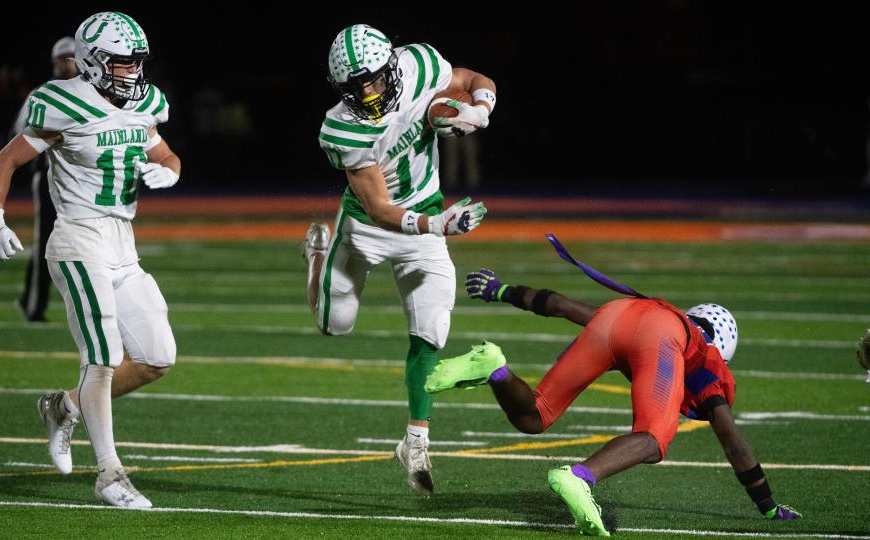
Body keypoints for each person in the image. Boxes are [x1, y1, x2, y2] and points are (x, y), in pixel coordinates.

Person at [425, 253, 801, 535]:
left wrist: (501, 290)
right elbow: (730, 438)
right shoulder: (706, 358)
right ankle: (580, 476)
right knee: (655, 438)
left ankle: (495, 368)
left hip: (620, 314)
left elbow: (562, 306)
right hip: (658, 334)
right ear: (720, 346)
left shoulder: (658, 312)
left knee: (534, 416)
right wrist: (766, 506)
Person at [0, 12, 180, 509]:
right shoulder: (60, 102)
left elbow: (167, 155)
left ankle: (63, 406)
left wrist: (170, 173)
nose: (132, 72)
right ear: (91, 62)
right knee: (103, 355)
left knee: (157, 357)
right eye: (121, 62)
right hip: (76, 239)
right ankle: (110, 474)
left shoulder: (146, 103)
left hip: (123, 244)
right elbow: (6, 160)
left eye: (137, 62)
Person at [304, 24, 495, 495]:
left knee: (433, 329)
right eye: (354, 86)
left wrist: (480, 110)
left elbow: (472, 78)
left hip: (425, 216)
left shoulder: (421, 65)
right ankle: (317, 256)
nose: (366, 92)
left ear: (392, 66)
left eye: (372, 78)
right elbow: (380, 209)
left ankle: (415, 439)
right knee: (335, 324)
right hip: (367, 229)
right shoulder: (341, 126)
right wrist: (438, 225)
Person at [11, 36, 79, 322]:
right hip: (50, 176)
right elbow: (18, 133)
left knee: (75, 241)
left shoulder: (90, 93)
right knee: (46, 243)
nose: (70, 64)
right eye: (65, 58)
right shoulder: (44, 94)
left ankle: (31, 298)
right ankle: (34, 306)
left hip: (79, 181)